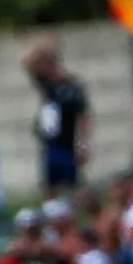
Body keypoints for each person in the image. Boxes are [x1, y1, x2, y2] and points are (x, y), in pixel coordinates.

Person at [27, 39, 90, 191]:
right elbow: (28, 63)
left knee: (70, 186)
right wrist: (42, 47)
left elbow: (83, 116)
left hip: (67, 144)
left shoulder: (72, 86)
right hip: (50, 144)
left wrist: (83, 144)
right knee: (49, 186)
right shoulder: (48, 85)